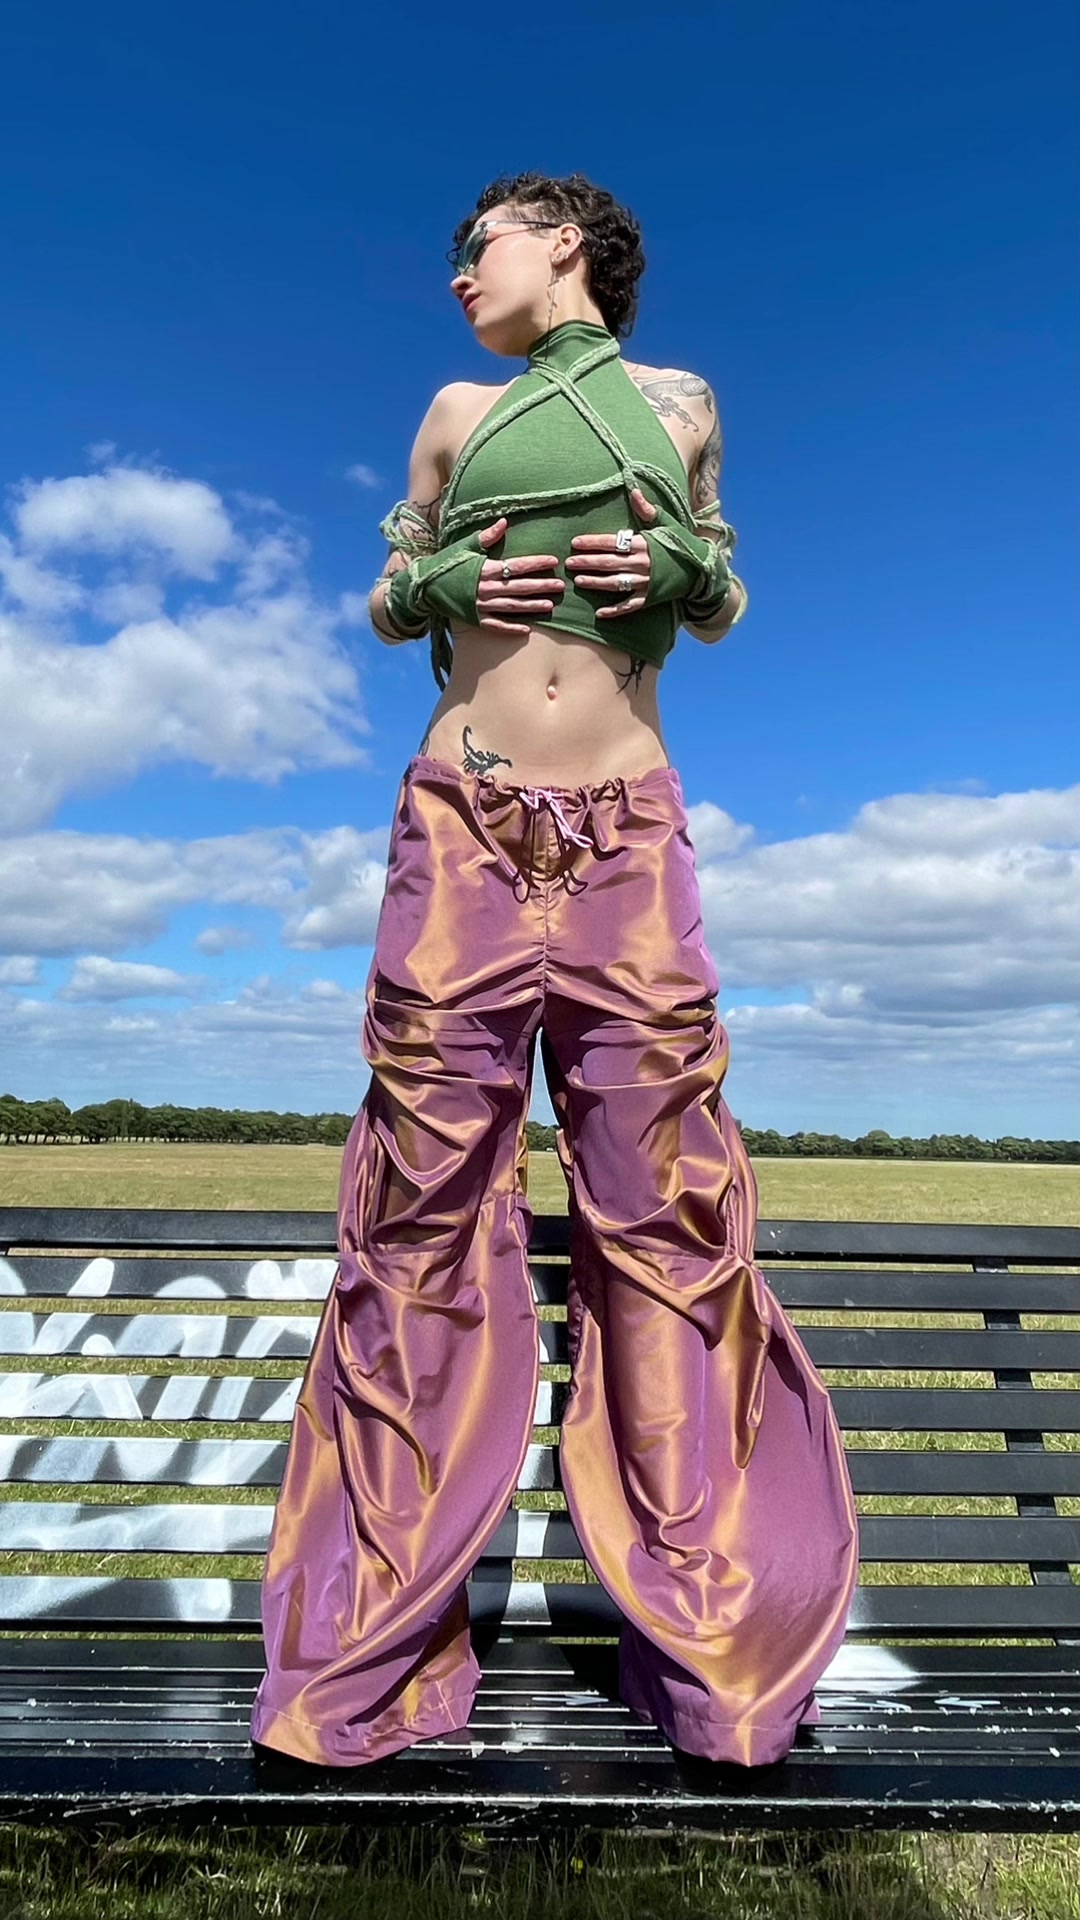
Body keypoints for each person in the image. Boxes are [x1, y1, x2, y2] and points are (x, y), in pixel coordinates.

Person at [250, 171, 859, 1772]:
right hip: (461, 829)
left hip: (629, 842)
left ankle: (715, 1656)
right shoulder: (454, 414)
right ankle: (364, 1657)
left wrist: (689, 581)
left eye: (482, 246)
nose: (461, 276)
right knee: (417, 1217)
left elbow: (724, 596)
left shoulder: (682, 405)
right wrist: (437, 585)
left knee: (667, 1220)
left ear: (564, 242)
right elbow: (388, 599)